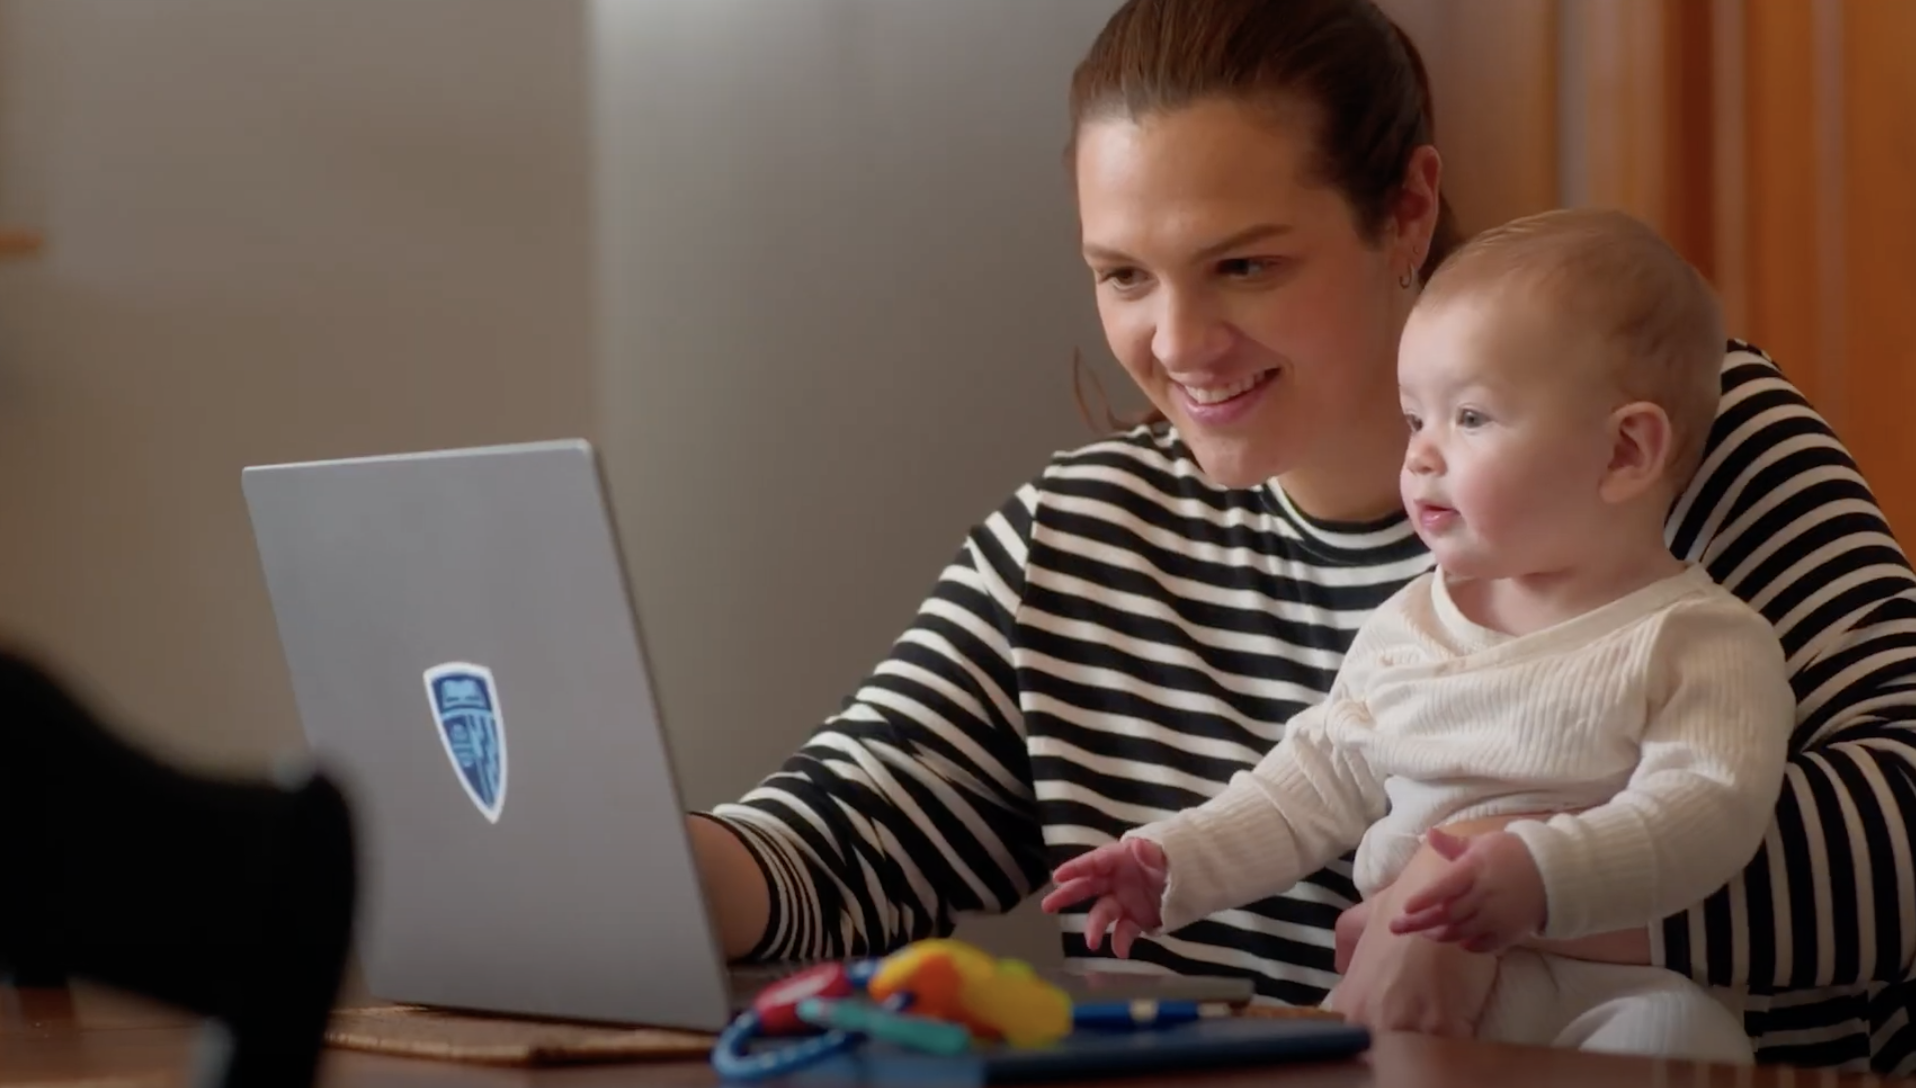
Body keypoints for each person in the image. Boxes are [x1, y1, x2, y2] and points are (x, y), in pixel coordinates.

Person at [684, 0, 1916, 1070]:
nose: (1175, 344)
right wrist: (647, 869)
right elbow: (846, 833)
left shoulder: (1661, 447)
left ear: (1404, 211)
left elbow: (1900, 831)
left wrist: (1482, 893)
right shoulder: (1076, 539)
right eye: (1122, 275)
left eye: (1244, 265)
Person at [1038, 207, 1791, 1064]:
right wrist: (1172, 864)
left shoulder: (1700, 640)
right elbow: (1304, 785)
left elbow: (1706, 810)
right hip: (1392, 999)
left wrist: (1536, 871)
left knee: (1682, 1034)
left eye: (1470, 419)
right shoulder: (1409, 624)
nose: (1423, 458)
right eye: (1413, 420)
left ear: (1625, 452)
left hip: (1605, 999)